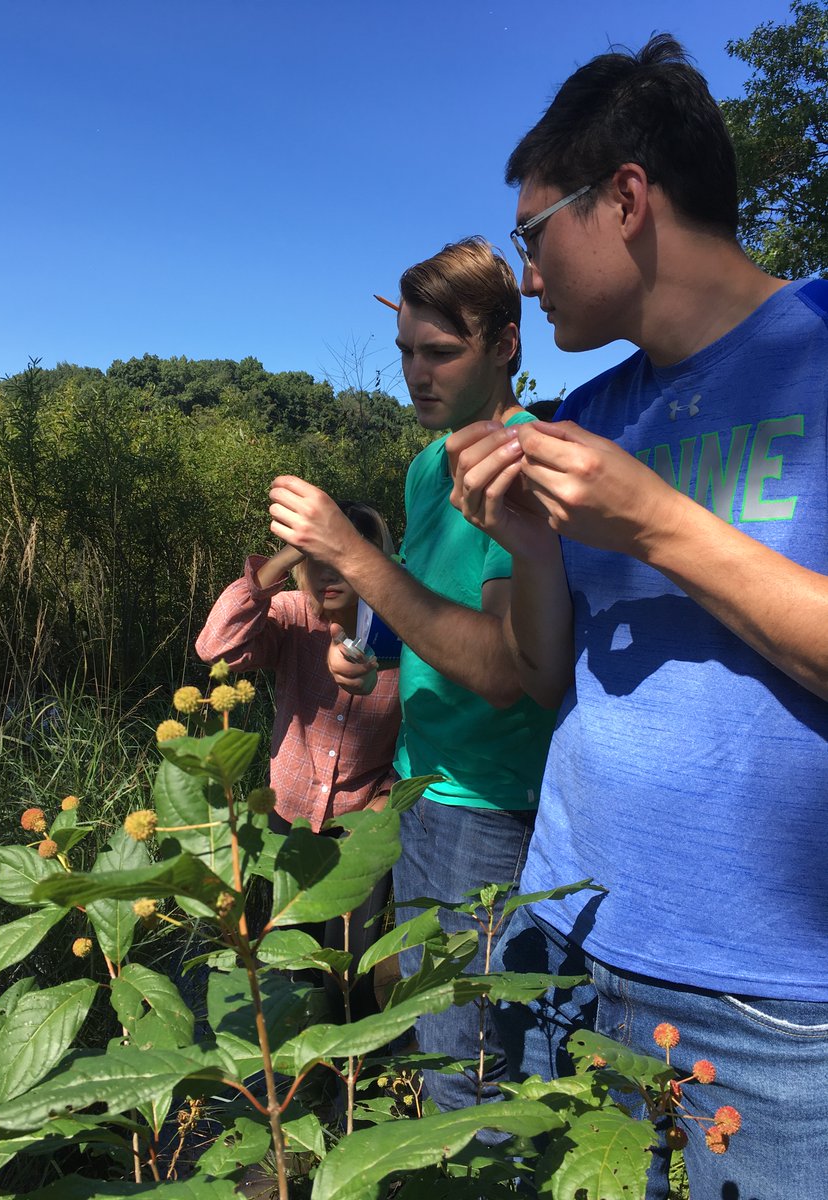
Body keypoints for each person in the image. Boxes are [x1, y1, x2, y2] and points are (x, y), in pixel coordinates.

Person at [446, 35, 828, 1198]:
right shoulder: (594, 410)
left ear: (624, 199)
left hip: (767, 1006)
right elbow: (552, 669)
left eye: (533, 234)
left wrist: (656, 522)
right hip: (559, 940)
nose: (523, 273)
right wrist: (527, 543)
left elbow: (662, 537)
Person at [266, 237, 558, 1120]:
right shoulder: (429, 467)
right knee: (432, 1029)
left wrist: (348, 550)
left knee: (469, 1066)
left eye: (441, 352)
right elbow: (425, 600)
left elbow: (509, 669)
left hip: (493, 805)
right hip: (418, 782)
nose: (414, 373)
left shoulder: (525, 461)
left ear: (505, 346)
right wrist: (372, 653)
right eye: (406, 350)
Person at [195, 500, 401, 1019]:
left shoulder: (400, 629)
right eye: (317, 559)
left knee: (349, 965)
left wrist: (385, 800)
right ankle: (302, 1075)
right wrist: (287, 554)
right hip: (290, 816)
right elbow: (215, 646)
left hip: (362, 823)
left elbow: (426, 725)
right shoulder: (292, 614)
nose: (329, 573)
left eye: (346, 557)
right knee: (294, 959)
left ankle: (350, 1081)